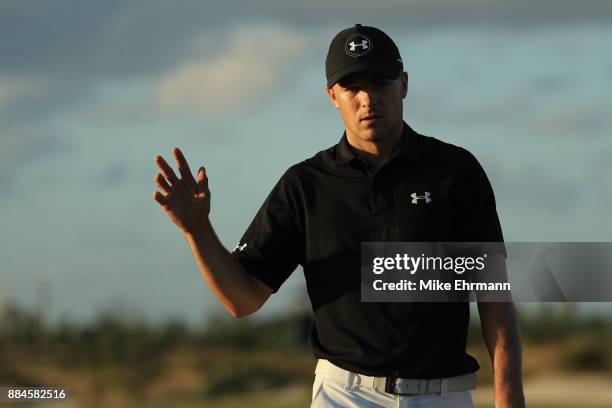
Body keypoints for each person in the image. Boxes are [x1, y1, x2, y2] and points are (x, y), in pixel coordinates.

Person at [153, 24, 525, 408]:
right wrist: (197, 230)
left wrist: (509, 397)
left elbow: (494, 294)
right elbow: (242, 299)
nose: (367, 99)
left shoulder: (456, 172)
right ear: (333, 95)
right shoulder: (305, 185)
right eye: (352, 87)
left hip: (444, 395)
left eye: (379, 82)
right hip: (345, 396)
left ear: (404, 84)